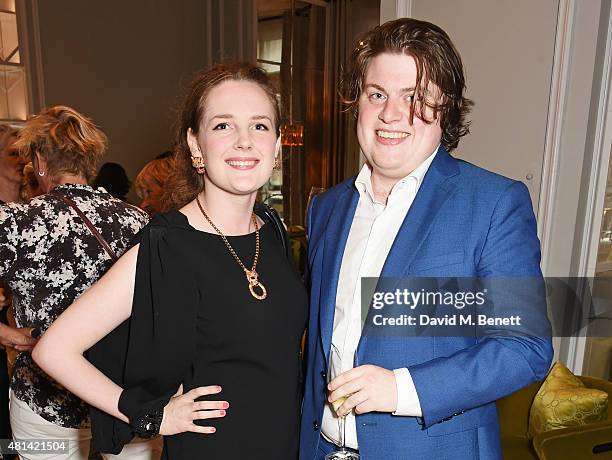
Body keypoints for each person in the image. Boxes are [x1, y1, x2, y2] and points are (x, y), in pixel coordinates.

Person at [300, 18, 553, 460]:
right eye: (377, 94)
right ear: (356, 103)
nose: (392, 114)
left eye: (415, 98)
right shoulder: (326, 209)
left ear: (446, 109)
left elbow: (525, 348)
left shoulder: (494, 203)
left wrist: (400, 388)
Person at [34, 63, 308, 459]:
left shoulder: (270, 227)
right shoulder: (169, 245)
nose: (245, 141)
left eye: (260, 126)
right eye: (223, 126)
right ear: (195, 144)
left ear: (278, 145)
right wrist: (150, 416)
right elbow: (54, 350)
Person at [0, 105, 151, 460]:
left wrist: (9, 335)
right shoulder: (139, 221)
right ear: (91, 160)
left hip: (46, 400)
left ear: (39, 160)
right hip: (123, 394)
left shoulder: (17, 223)